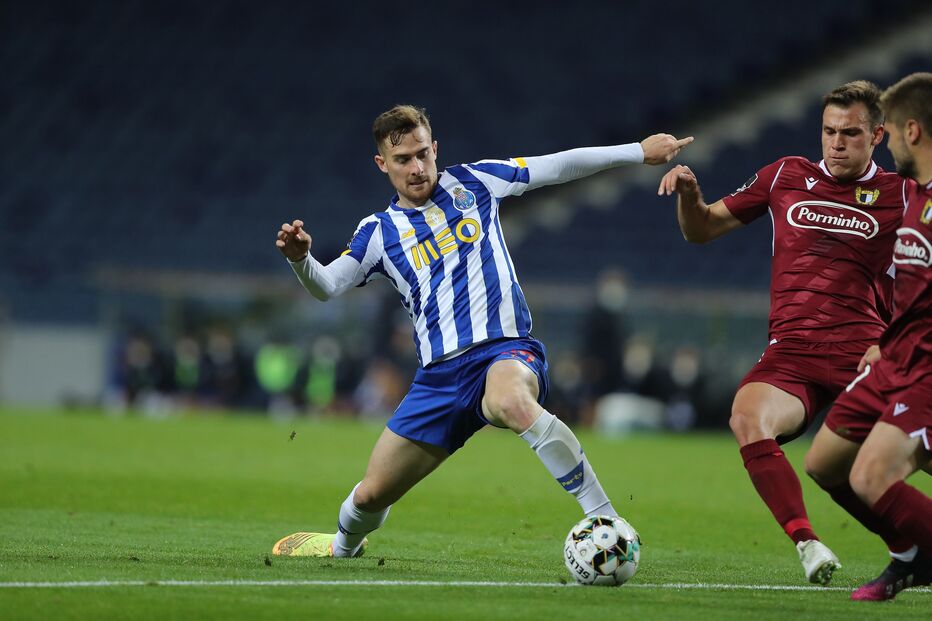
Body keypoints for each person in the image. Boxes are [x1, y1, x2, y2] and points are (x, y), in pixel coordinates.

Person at [271, 105, 692, 558]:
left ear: (435, 149)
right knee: (371, 495)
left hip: (504, 351)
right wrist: (301, 260)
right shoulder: (378, 233)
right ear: (382, 164)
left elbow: (557, 165)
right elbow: (328, 286)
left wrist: (636, 152)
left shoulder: (476, 182)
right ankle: (341, 549)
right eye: (402, 160)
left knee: (509, 400)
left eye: (422, 154)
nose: (416, 168)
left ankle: (605, 518)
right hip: (438, 379)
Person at [657, 81, 910, 585]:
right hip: (792, 352)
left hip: (865, 353)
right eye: (829, 131)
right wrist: (690, 197)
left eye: (850, 133)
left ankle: (912, 547)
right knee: (747, 417)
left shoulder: (902, 194)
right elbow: (700, 229)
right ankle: (808, 543)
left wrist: (895, 344)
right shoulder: (785, 175)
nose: (836, 143)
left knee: (916, 451)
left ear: (877, 135)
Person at [804, 72, 932, 601]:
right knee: (825, 463)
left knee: (871, 475)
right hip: (895, 357)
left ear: (911, 131)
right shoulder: (913, 194)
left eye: (891, 132)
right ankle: (913, 555)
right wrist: (887, 339)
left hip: (927, 367)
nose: (888, 142)